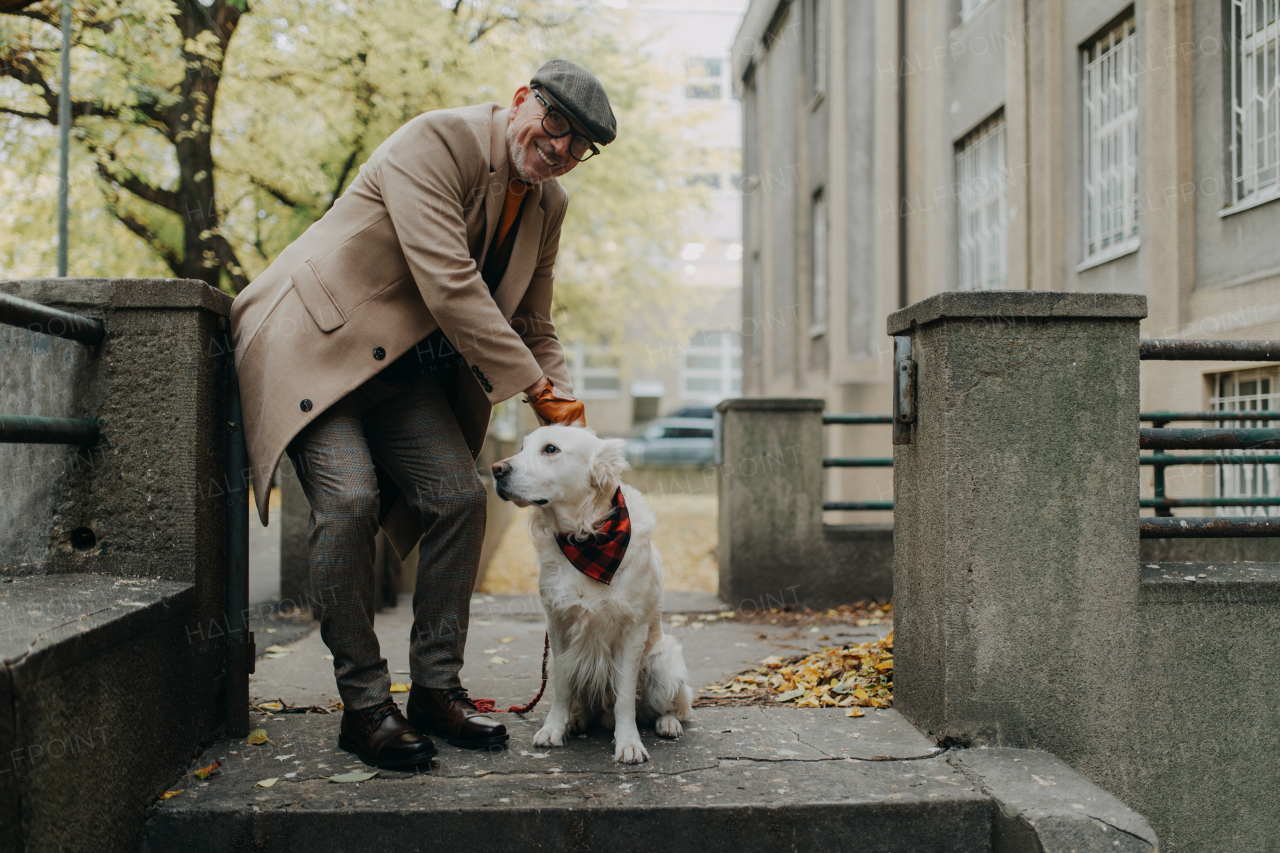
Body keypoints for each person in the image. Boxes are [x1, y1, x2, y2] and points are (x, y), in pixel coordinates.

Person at [229, 59, 614, 768]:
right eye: (555, 121)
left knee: (460, 496)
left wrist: (566, 417)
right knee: (349, 501)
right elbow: (450, 283)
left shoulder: (548, 205)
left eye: (579, 143)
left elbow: (534, 321)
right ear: (521, 100)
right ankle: (366, 704)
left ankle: (436, 689)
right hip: (313, 339)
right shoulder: (435, 142)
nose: (561, 147)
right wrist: (535, 389)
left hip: (394, 367)